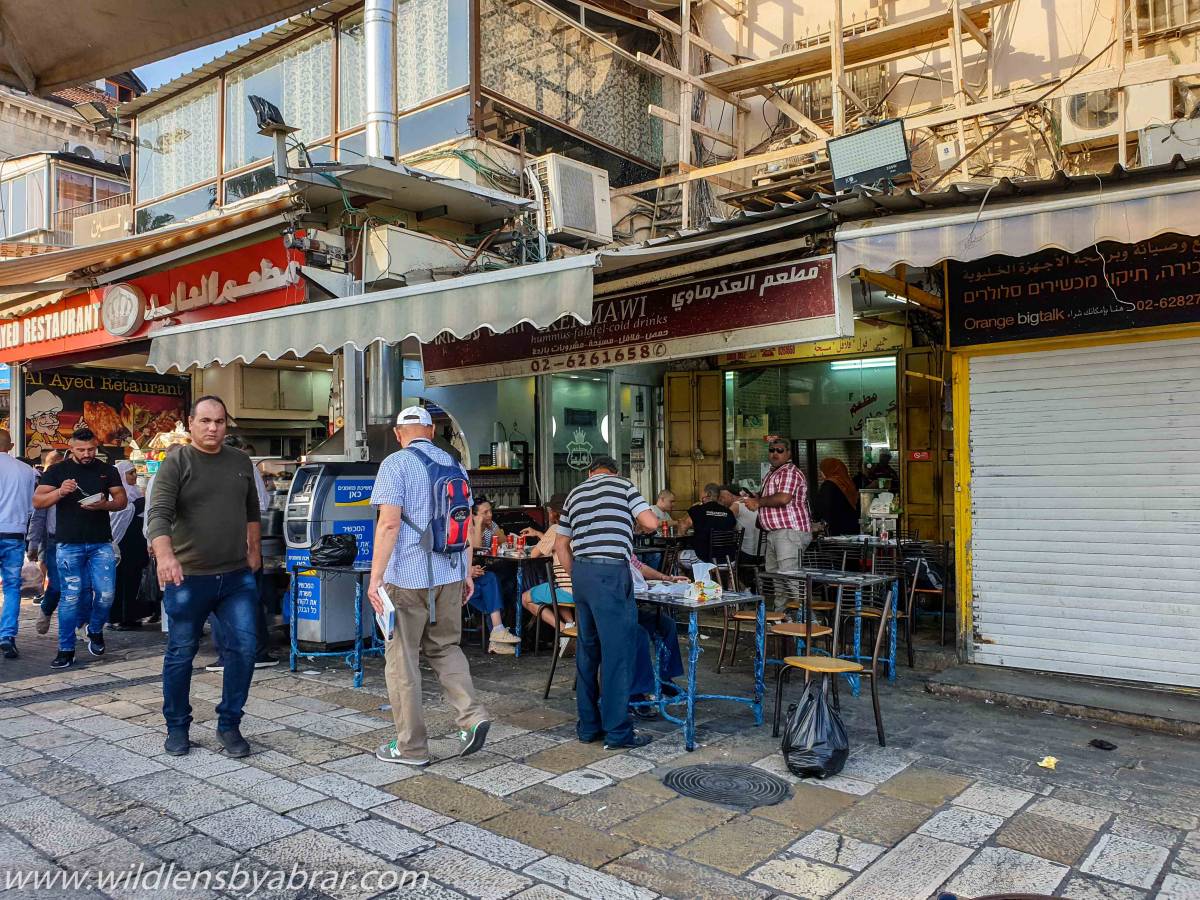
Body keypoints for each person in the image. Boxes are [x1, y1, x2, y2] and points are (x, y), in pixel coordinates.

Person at [367, 406, 490, 767]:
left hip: (406, 578)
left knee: (402, 660)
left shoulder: (395, 464)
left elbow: (389, 524)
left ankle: (411, 748)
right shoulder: (455, 466)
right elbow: (465, 524)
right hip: (449, 574)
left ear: (397, 433)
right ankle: (472, 716)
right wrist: (467, 572)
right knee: (446, 648)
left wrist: (376, 579)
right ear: (432, 429)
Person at [147, 396, 262, 758]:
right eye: (206, 421)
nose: (213, 428)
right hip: (188, 576)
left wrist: (254, 550)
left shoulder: (240, 461)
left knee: (244, 648)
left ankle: (230, 724)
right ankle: (177, 726)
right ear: (191, 423)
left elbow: (251, 510)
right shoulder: (177, 461)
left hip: (235, 576)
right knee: (182, 652)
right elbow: (159, 514)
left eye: (219, 421)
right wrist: (165, 557)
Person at [555, 455, 660, 750]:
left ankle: (588, 727)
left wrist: (577, 575)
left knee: (588, 652)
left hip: (583, 574)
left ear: (590, 473)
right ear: (615, 472)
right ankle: (618, 732)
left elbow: (561, 545)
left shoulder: (575, 493)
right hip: (611, 573)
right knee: (617, 655)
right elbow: (651, 522)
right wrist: (634, 524)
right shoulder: (623, 486)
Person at [34, 427, 127, 668]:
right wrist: (60, 491)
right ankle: (65, 649)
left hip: (101, 543)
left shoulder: (107, 471)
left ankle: (95, 629)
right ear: (71, 448)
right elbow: (38, 501)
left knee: (107, 594)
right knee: (70, 598)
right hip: (68, 544)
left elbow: (121, 500)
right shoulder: (58, 471)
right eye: (81, 450)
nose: (87, 454)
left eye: (91, 449)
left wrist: (104, 505)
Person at [205, 435, 278, 671]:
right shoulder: (241, 467)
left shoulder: (238, 467)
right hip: (229, 545)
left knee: (234, 599)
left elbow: (257, 506)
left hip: (233, 545)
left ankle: (241, 653)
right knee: (239, 599)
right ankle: (245, 653)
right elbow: (263, 503)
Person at [743, 438, 811, 582]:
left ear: (789, 453)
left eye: (780, 450)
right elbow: (772, 497)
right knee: (777, 580)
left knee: (791, 579)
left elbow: (783, 498)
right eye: (772, 450)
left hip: (789, 532)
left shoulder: (788, 472)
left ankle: (801, 605)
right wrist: (756, 496)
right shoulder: (772, 473)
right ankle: (781, 606)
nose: (775, 453)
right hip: (774, 532)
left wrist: (758, 502)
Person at [626, 556, 686, 719]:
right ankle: (635, 693)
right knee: (639, 634)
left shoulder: (624, 544)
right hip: (611, 609)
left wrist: (666, 578)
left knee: (666, 624)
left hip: (630, 605)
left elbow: (640, 567)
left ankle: (665, 679)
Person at [0, 428, 38, 660]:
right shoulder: (27, 471)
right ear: (12, 446)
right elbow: (32, 507)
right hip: (14, 533)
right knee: (12, 587)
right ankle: (7, 636)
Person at [466, 497, 520, 654]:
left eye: (490, 511)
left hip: (484, 570)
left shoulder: (491, 526)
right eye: (485, 512)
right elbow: (475, 551)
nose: (490, 515)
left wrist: (494, 529)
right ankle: (497, 633)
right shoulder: (469, 528)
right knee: (493, 582)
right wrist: (476, 525)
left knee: (507, 581)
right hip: (473, 573)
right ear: (474, 515)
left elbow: (506, 544)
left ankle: (498, 632)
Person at [520, 493, 575, 639]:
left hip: (567, 591)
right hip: (582, 588)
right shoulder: (577, 526)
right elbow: (556, 545)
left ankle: (563, 630)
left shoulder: (556, 528)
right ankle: (571, 624)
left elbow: (534, 554)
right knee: (555, 589)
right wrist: (538, 533)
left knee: (525, 598)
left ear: (555, 512)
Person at [108, 460, 151, 629]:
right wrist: (135, 506)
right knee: (118, 581)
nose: (134, 475)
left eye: (135, 472)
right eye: (130, 473)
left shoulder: (137, 493)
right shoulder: (116, 495)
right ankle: (116, 616)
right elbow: (116, 517)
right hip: (121, 545)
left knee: (134, 581)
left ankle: (132, 617)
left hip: (136, 545)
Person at [29, 451, 63, 635]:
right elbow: (38, 517)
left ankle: (80, 624)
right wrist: (33, 544)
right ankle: (46, 609)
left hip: (78, 540)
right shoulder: (47, 488)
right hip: (54, 541)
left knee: (82, 588)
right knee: (56, 585)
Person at [678, 483, 737, 568]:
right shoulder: (729, 512)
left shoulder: (697, 510)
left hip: (705, 560)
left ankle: (686, 580)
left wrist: (681, 540)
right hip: (729, 561)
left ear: (707, 494)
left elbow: (683, 525)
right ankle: (716, 580)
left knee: (674, 557)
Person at [719, 485, 762, 579]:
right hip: (763, 554)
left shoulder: (737, 505)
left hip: (747, 555)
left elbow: (721, 525)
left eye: (722, 497)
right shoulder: (754, 502)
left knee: (722, 553)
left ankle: (730, 585)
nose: (721, 501)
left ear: (732, 496)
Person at [815, 458, 861, 537]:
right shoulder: (847, 483)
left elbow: (824, 508)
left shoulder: (828, 485)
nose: (820, 473)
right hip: (851, 528)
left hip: (836, 531)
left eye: (822, 470)